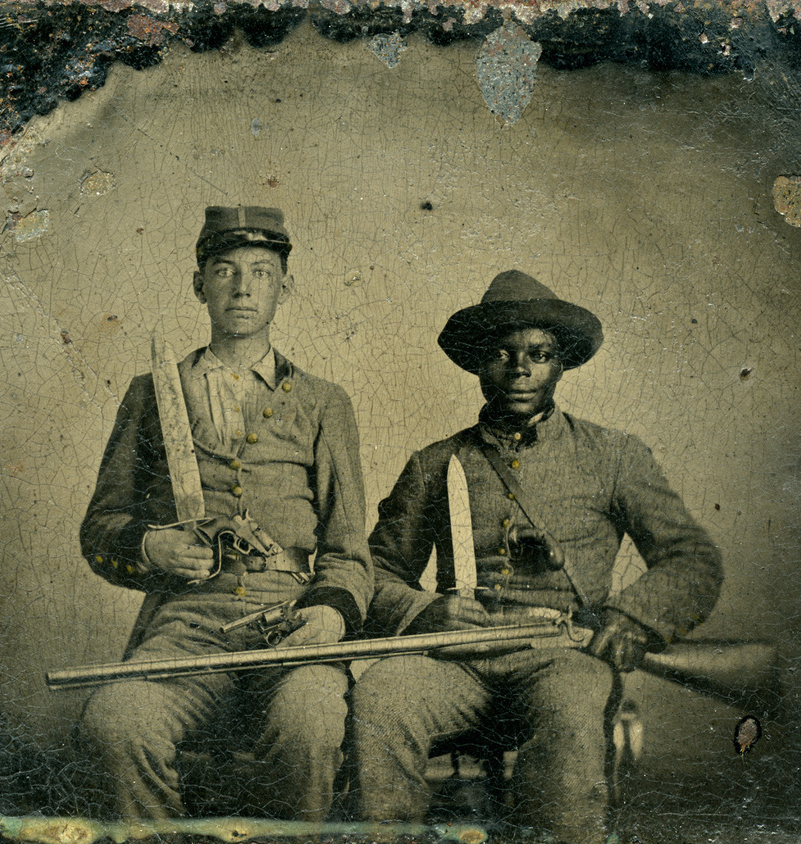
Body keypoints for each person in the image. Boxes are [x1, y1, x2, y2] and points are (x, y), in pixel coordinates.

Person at [349, 270, 724, 843]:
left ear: (561, 363)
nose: (519, 368)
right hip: (457, 662)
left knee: (573, 711)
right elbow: (374, 573)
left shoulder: (613, 456)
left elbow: (691, 557)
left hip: (563, 655)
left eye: (539, 353)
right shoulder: (434, 464)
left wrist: (632, 619)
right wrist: (426, 612)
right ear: (478, 363)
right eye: (501, 352)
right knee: (383, 694)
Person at [78, 206, 372, 822]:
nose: (242, 288)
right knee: (117, 720)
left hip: (293, 621)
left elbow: (348, 552)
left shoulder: (324, 402)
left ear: (284, 288)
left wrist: (330, 613)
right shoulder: (151, 393)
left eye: (261, 273)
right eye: (224, 270)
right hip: (185, 624)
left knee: (311, 724)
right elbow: (101, 527)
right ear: (199, 285)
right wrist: (148, 547)